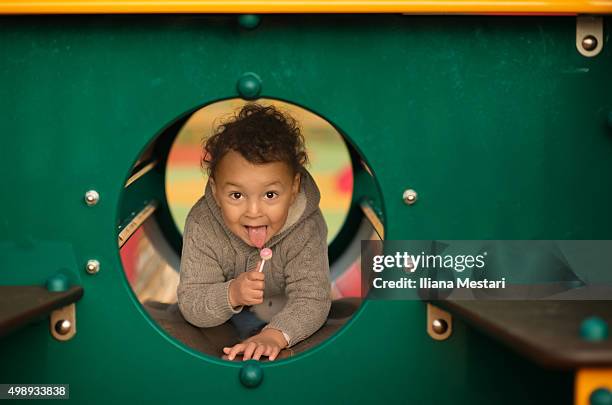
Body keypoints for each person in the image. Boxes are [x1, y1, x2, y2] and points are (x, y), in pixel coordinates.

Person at [177, 103, 331, 361]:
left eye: (270, 194)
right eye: (236, 195)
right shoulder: (203, 224)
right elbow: (192, 301)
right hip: (226, 323)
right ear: (215, 190)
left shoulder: (306, 228)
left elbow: (312, 299)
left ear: (294, 188)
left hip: (286, 317)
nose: (253, 211)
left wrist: (276, 335)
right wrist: (232, 294)